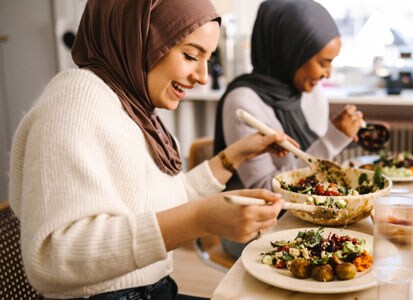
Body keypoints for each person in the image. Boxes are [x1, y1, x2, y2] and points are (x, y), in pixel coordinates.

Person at [8, 0, 290, 299]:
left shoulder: (130, 104)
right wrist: (200, 219)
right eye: (190, 55)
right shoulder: (75, 104)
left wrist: (236, 155)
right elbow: (51, 257)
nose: (203, 77)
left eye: (207, 58)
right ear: (139, 38)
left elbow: (161, 202)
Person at [213, 0, 365, 258]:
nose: (328, 73)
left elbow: (312, 171)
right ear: (291, 51)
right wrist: (333, 140)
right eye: (323, 62)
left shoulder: (311, 92)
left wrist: (344, 136)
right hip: (256, 230)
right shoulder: (243, 101)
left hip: (303, 218)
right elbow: (266, 193)